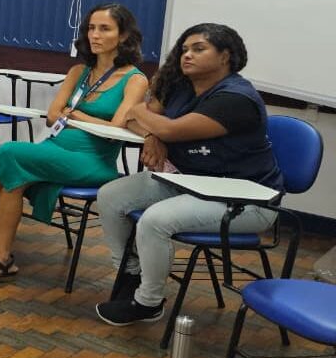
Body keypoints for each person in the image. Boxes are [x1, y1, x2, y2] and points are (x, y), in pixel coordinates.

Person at [0, 3, 148, 287]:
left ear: (124, 35)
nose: (95, 35)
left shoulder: (134, 79)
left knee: (10, 152)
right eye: (91, 28)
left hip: (92, 159)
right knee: (12, 179)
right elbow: (53, 114)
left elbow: (115, 129)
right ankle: (1, 260)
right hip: (56, 148)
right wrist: (72, 115)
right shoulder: (79, 71)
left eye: (105, 29)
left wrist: (76, 115)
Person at [94, 23, 283, 326]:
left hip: (245, 199)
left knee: (155, 220)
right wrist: (152, 135)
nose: (187, 55)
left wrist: (143, 114)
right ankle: (130, 273)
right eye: (184, 49)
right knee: (110, 195)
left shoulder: (236, 98)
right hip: (189, 182)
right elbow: (137, 123)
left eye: (198, 49)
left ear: (225, 56)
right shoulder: (181, 87)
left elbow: (154, 122)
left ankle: (148, 302)